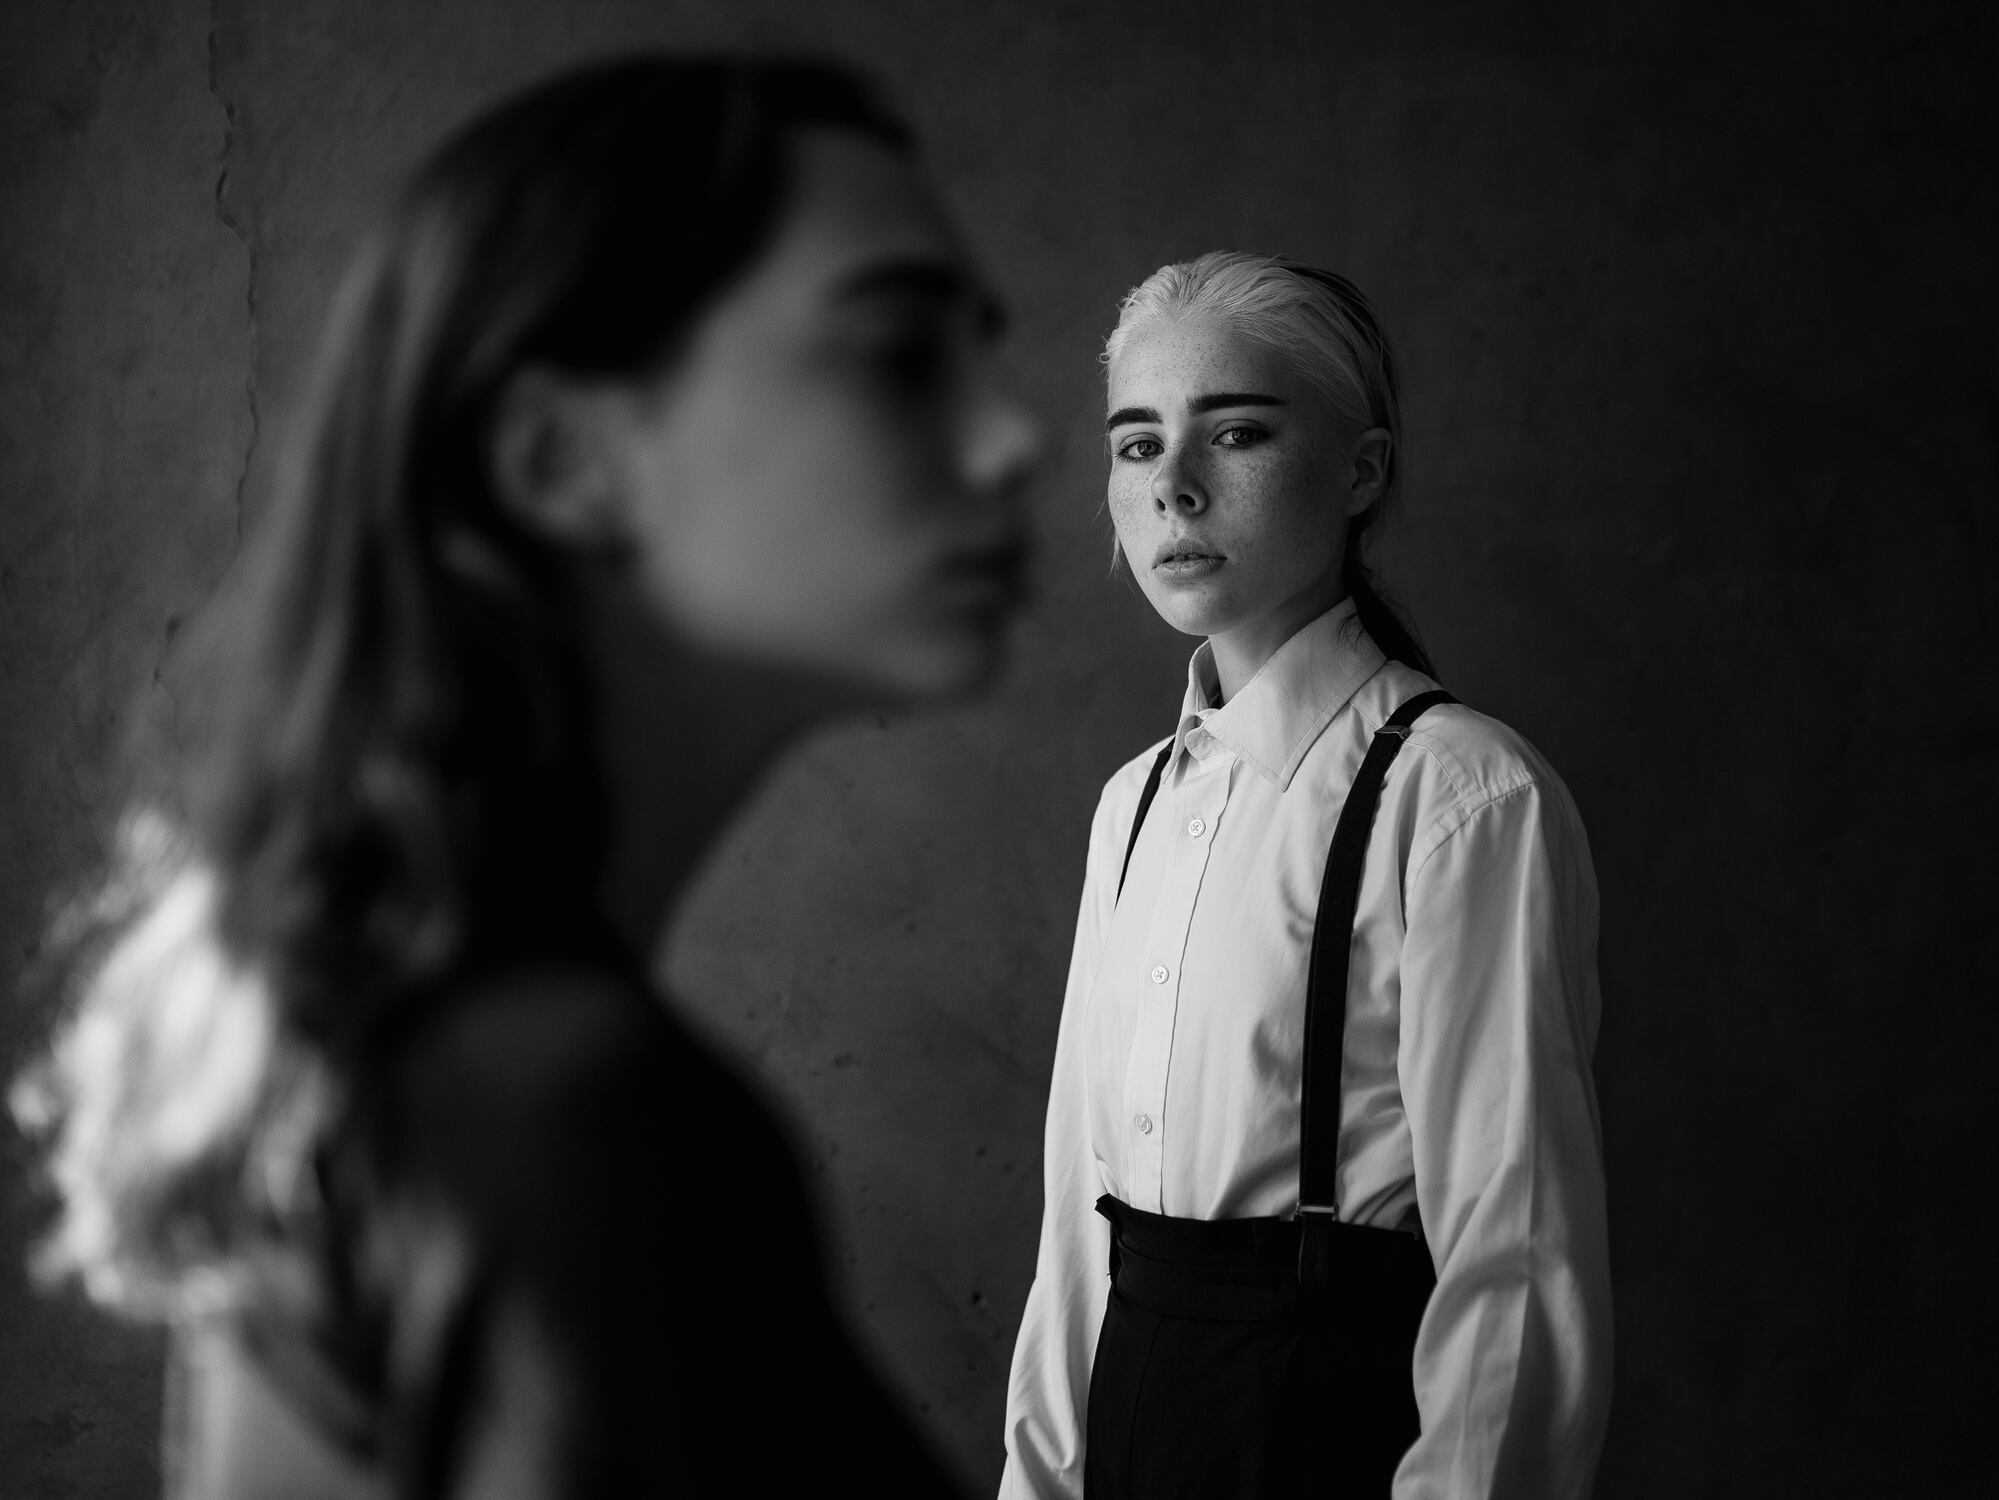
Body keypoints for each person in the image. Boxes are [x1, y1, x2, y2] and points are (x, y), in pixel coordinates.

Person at [12, 54, 1041, 1498]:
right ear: (560, 460)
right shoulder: (573, 1116)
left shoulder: (372, 1037)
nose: (1015, 437)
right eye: (896, 354)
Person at [1000, 252, 1611, 1498]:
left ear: (1361, 471)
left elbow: (1514, 1269)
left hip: (1324, 1441)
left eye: (1234, 433)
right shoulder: (1133, 806)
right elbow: (1077, 1229)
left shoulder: (1460, 797)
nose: (1172, 486)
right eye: (1136, 444)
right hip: (1130, 1432)